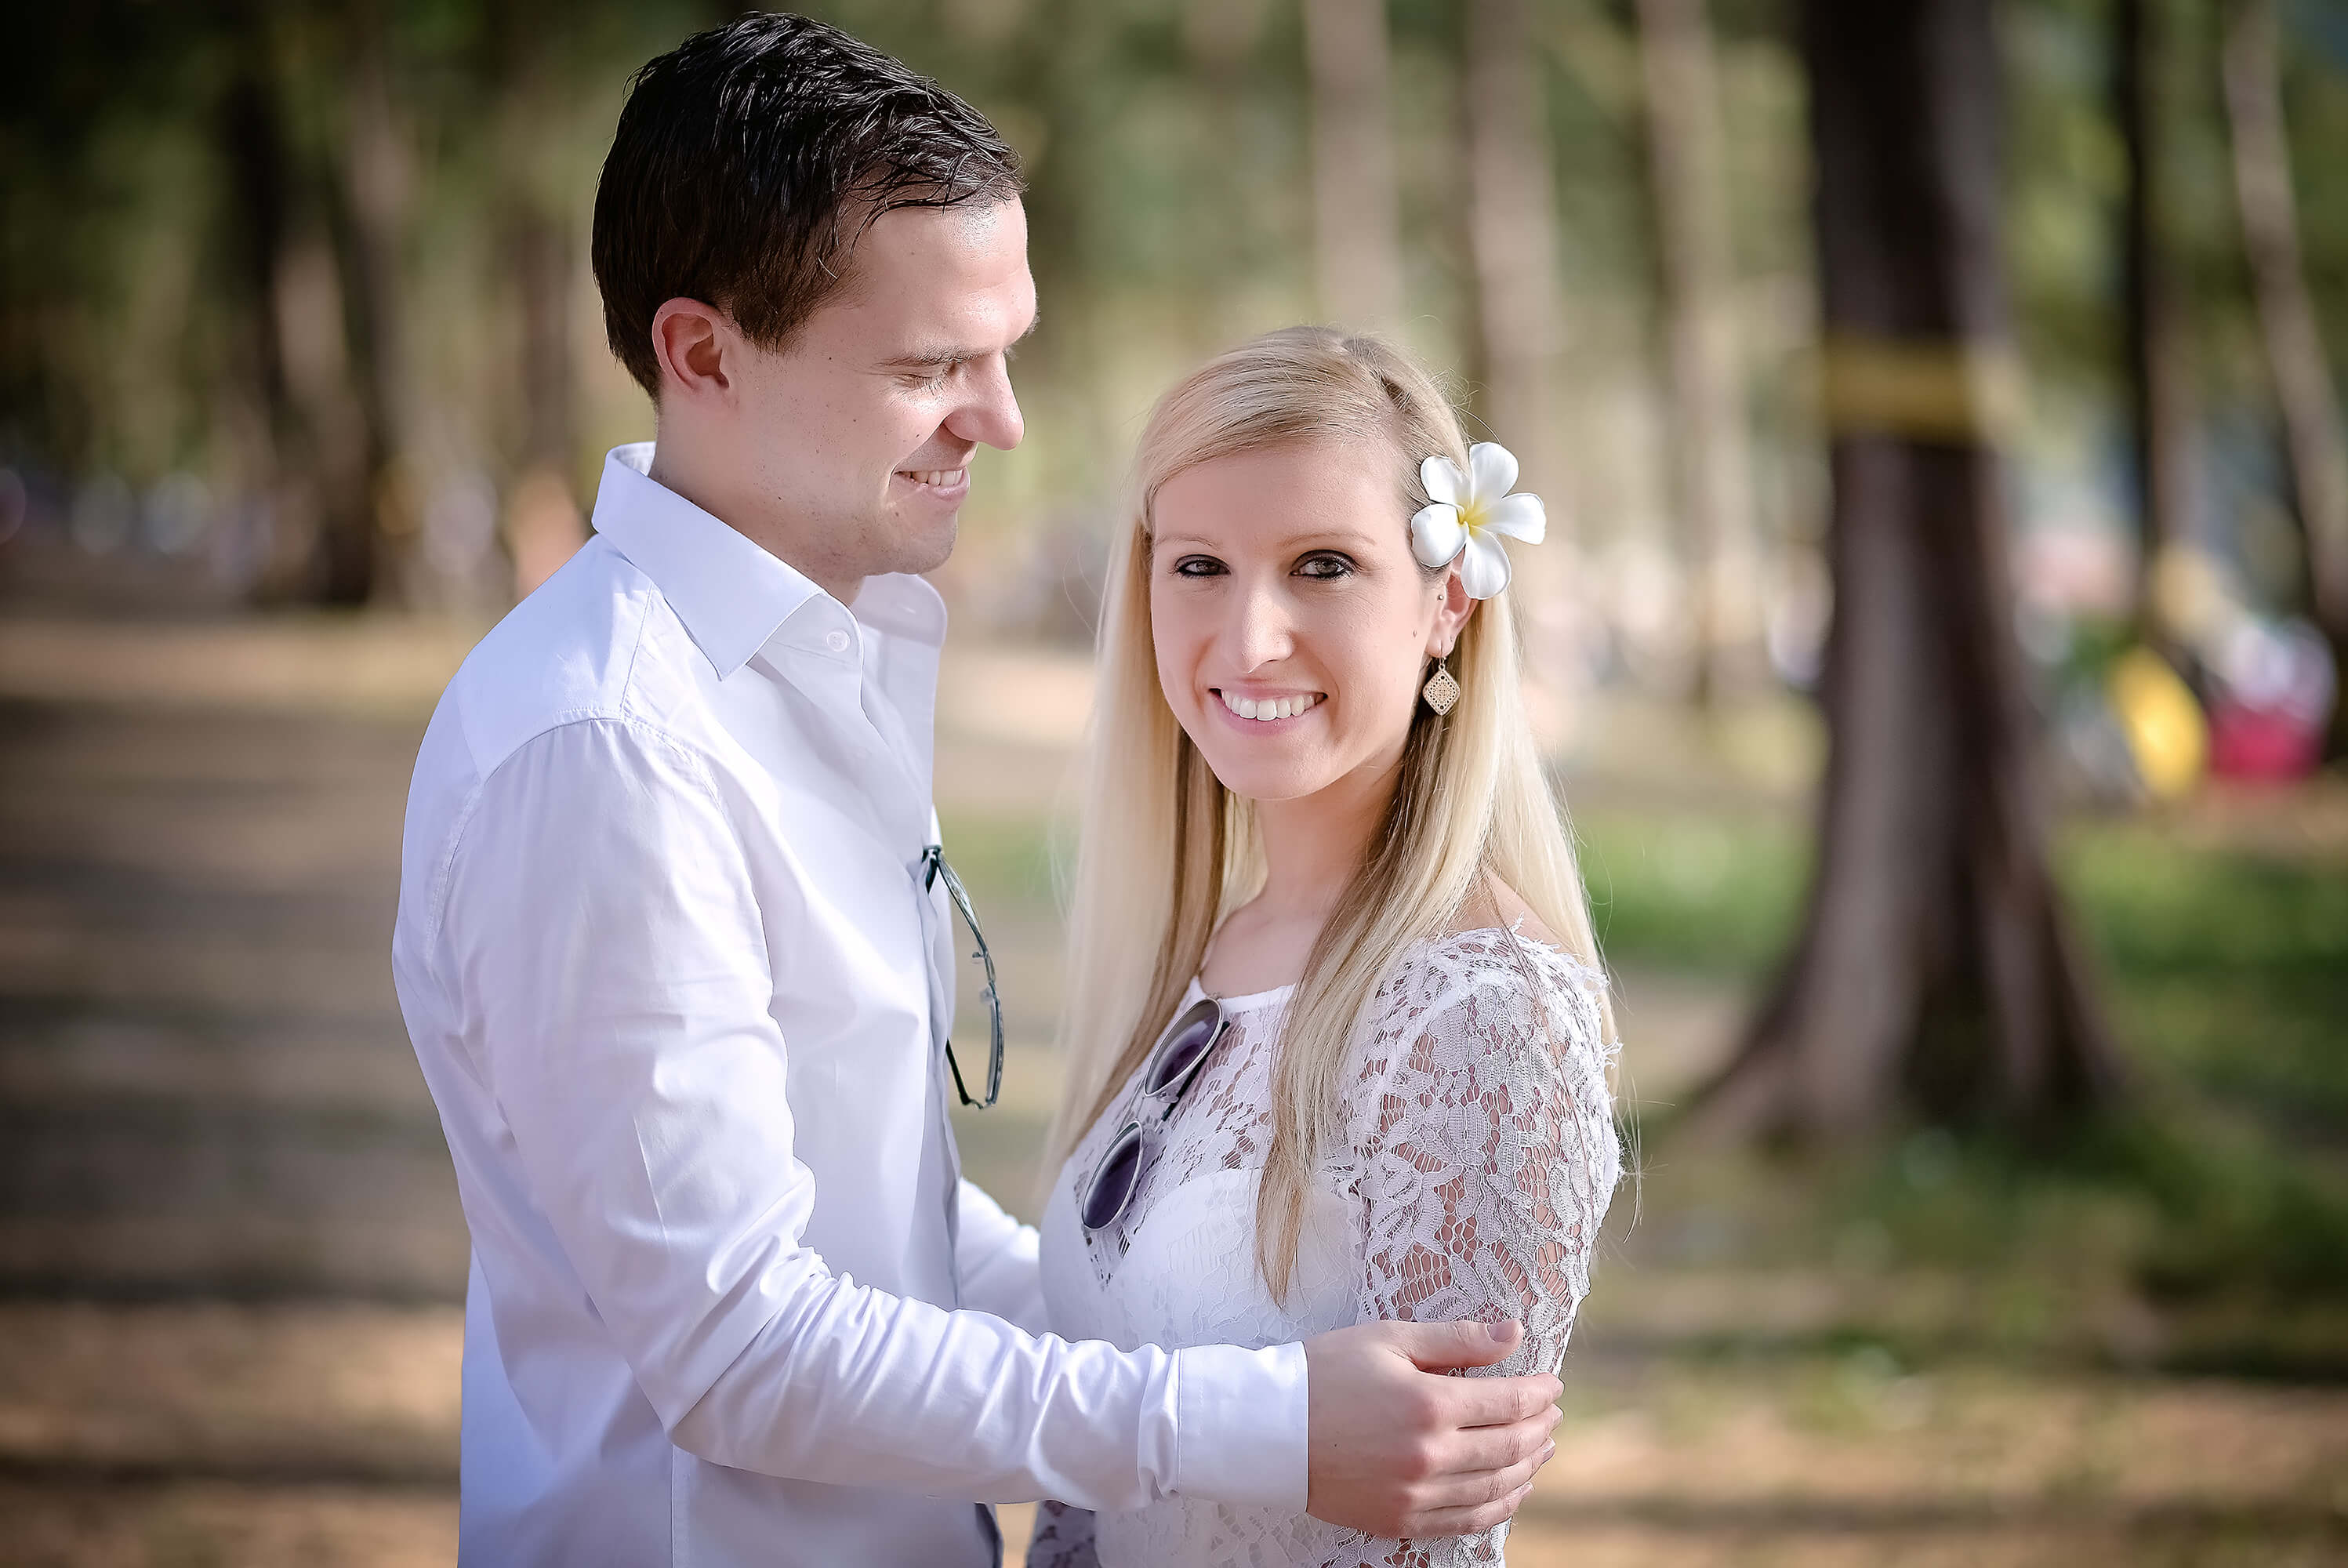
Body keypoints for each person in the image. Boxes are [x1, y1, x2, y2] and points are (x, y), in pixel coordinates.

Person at [390, 16, 1563, 1566]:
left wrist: (1221, 1346)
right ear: (702, 352)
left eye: (1002, 350)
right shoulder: (612, 751)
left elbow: (889, 1233)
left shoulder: (817, 672)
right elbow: (742, 1346)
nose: (999, 420)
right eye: (932, 366)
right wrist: (1260, 1425)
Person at [1024, 328, 1624, 1567]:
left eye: (1322, 566)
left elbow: (1429, 1536)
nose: (1248, 639)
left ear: (1447, 604)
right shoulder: (1205, 951)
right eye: (1199, 564)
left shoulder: (1480, 1014)